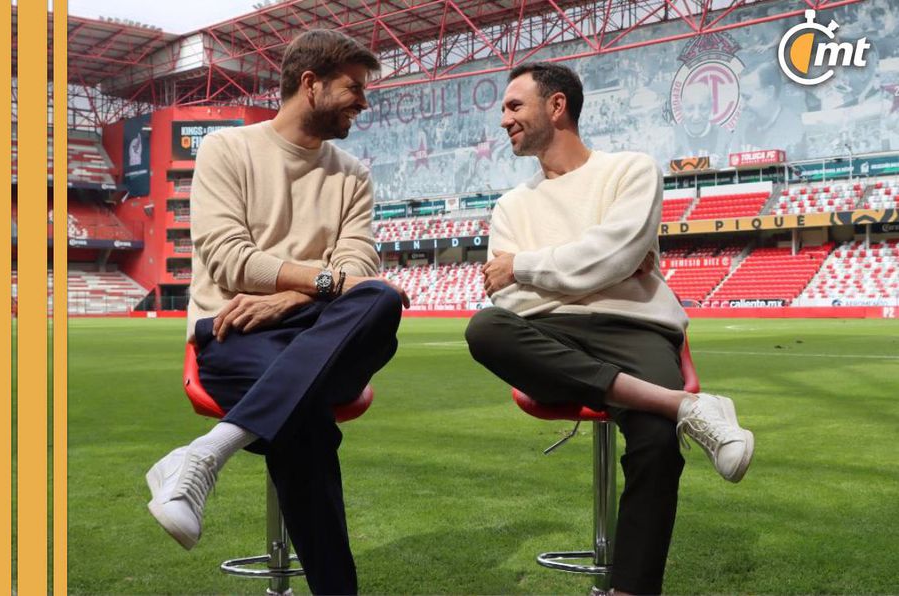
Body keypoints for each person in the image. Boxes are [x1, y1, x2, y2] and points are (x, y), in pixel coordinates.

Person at [464, 63, 755, 595]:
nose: (502, 119)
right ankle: (687, 407)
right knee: (484, 328)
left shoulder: (631, 170)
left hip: (633, 327)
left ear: (556, 107)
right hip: (545, 336)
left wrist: (528, 265)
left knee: (656, 445)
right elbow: (505, 295)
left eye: (513, 106)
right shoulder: (510, 205)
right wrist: (601, 267)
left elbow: (603, 256)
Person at [144, 30, 409, 595]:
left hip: (315, 327)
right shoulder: (227, 149)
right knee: (304, 423)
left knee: (381, 299)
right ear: (310, 85)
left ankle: (205, 455)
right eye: (353, 88)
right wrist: (323, 279)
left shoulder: (353, 174)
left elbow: (359, 266)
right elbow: (229, 260)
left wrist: (301, 294)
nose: (363, 101)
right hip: (232, 330)